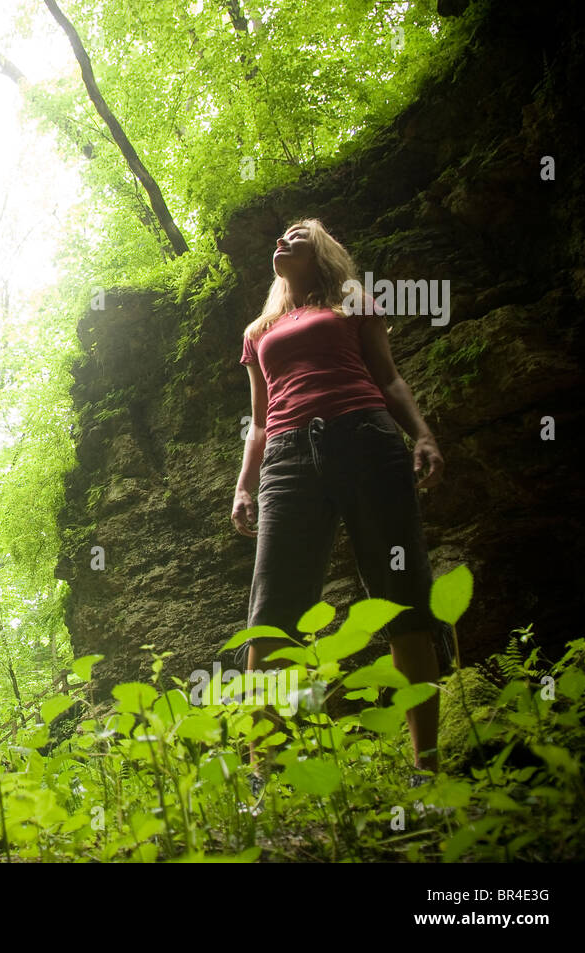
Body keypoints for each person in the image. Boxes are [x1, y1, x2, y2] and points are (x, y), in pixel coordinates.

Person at [230, 218, 444, 779]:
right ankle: (264, 772)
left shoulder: (355, 302)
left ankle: (427, 763)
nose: (284, 238)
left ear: (321, 250)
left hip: (366, 438)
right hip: (286, 456)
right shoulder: (259, 330)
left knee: (403, 589)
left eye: (299, 233)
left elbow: (389, 378)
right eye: (280, 234)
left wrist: (421, 433)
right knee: (273, 606)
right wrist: (244, 483)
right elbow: (257, 420)